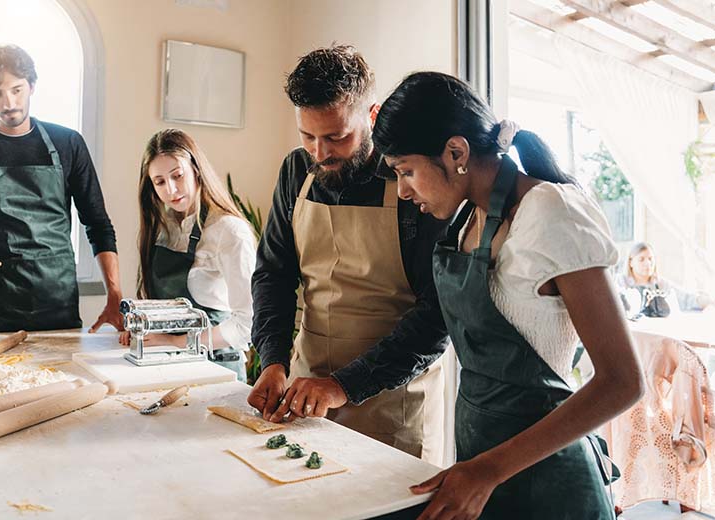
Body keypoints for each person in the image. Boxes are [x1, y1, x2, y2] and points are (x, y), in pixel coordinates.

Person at [372, 71, 644, 519]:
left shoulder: (552, 213)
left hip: (552, 487)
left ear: (456, 152)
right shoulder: (465, 222)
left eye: (407, 172)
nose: (403, 190)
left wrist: (488, 470)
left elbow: (624, 382)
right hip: (483, 472)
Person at [246, 45, 449, 463]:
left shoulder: (412, 181)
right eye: (308, 136)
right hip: (305, 392)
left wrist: (343, 385)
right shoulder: (296, 171)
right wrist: (273, 360)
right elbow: (273, 276)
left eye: (337, 137)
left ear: (371, 117)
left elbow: (437, 315)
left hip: (393, 401)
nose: (320, 152)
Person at [0, 45, 122, 333]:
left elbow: (98, 224)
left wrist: (114, 295)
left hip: (59, 303)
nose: (8, 102)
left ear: (32, 86)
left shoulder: (68, 143)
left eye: (17, 89)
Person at [120, 129, 256, 381]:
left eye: (177, 175)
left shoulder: (229, 231)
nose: (171, 189)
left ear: (195, 169)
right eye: (159, 181)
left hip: (218, 370)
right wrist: (142, 328)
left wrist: (174, 342)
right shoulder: (160, 230)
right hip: (166, 365)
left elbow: (247, 326)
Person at [619, 242, 712, 317]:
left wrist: (707, 301)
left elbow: (685, 299)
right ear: (631, 262)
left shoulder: (661, 285)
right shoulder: (621, 284)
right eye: (641, 259)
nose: (647, 263)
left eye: (650, 259)